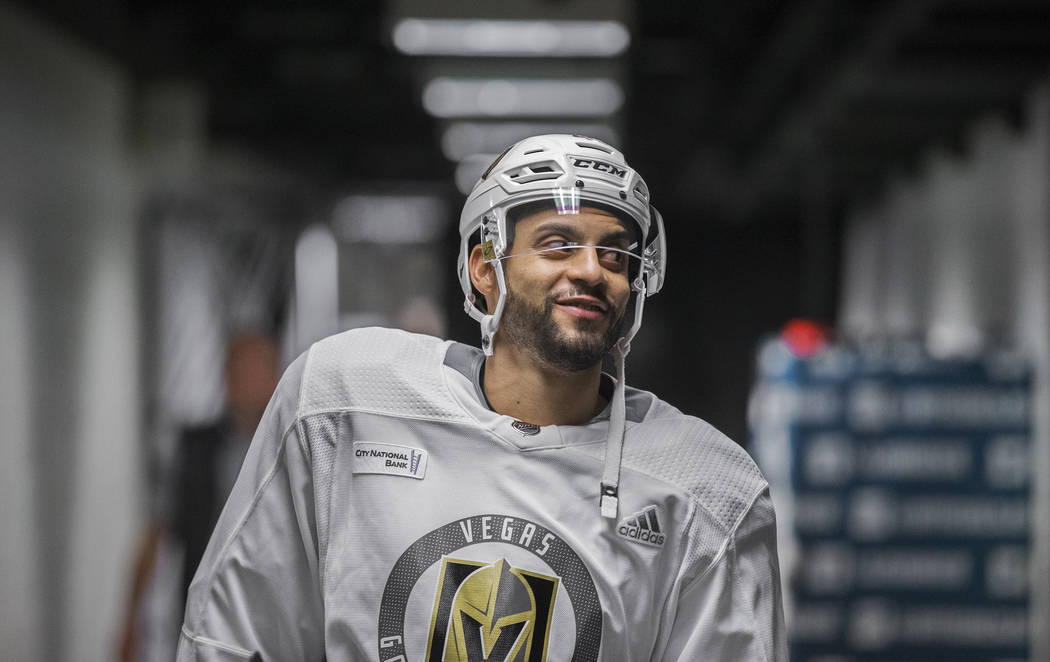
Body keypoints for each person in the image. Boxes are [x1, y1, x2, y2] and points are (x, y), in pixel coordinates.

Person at [176, 135, 786, 661]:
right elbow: (234, 638)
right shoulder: (344, 403)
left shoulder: (708, 493)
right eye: (557, 243)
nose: (593, 270)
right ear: (484, 268)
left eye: (615, 253)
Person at [118, 332, 280, 662]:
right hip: (203, 618)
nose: (248, 382)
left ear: (276, 376)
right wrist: (131, 620)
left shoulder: (292, 448)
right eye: (240, 371)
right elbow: (155, 533)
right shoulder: (193, 449)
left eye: (257, 371)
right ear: (226, 377)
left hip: (276, 621)